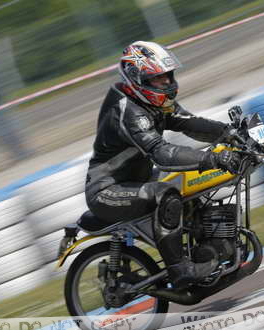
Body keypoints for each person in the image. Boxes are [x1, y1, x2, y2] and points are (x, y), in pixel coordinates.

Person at [85, 41, 241, 287]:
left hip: (138, 180)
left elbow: (188, 122)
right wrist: (211, 158)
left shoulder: (152, 102)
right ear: (138, 79)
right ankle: (180, 270)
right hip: (107, 190)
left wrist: (229, 133)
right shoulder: (127, 111)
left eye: (168, 76)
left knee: (191, 185)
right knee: (166, 194)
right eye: (159, 78)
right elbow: (161, 153)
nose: (167, 83)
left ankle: (209, 249)